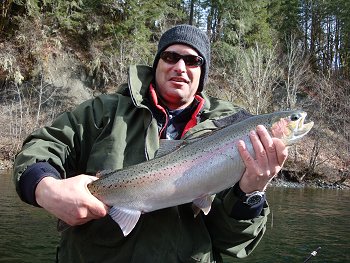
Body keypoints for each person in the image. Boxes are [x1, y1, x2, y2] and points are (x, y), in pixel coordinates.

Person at [13, 24, 288, 263]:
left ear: (202, 73)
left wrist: (251, 194)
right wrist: (44, 188)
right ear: (157, 63)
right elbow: (43, 145)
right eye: (171, 56)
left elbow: (233, 244)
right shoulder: (105, 111)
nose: (180, 67)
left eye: (193, 61)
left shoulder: (233, 131)